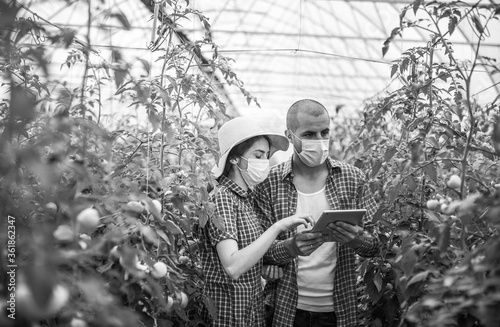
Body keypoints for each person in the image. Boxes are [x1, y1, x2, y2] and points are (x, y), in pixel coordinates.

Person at [253, 99, 380, 327]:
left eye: (324, 132)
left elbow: (377, 246)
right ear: (290, 136)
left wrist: (358, 240)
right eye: (309, 134)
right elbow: (258, 252)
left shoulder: (353, 179)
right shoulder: (268, 184)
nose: (319, 141)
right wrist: (290, 247)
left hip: (339, 309)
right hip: (287, 308)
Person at [199, 116, 315, 327]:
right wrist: (279, 225)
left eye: (267, 156)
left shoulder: (244, 199)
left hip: (249, 312)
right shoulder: (223, 197)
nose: (265, 162)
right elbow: (233, 265)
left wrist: (263, 267)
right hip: (228, 316)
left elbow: (248, 254)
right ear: (234, 159)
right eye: (258, 155)